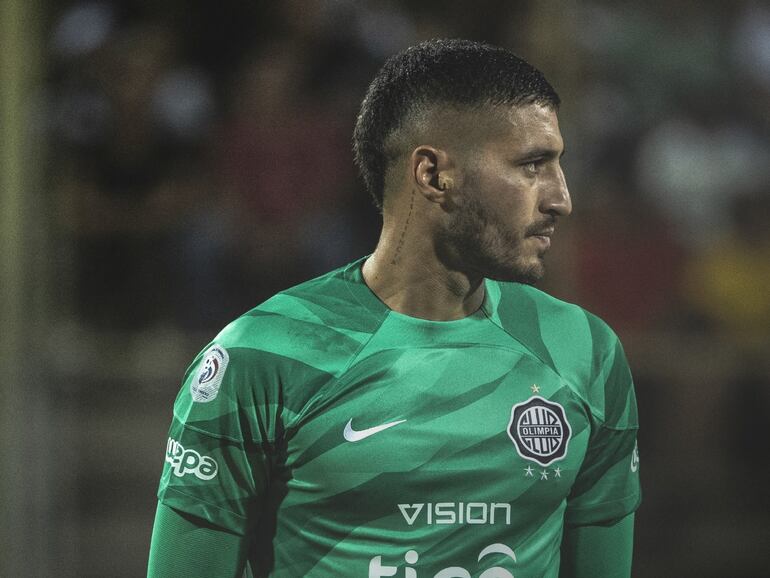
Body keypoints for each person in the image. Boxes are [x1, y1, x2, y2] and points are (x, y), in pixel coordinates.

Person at [147, 39, 641, 578]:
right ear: (432, 174)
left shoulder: (584, 353)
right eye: (531, 165)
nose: (560, 198)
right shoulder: (260, 358)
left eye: (558, 165)